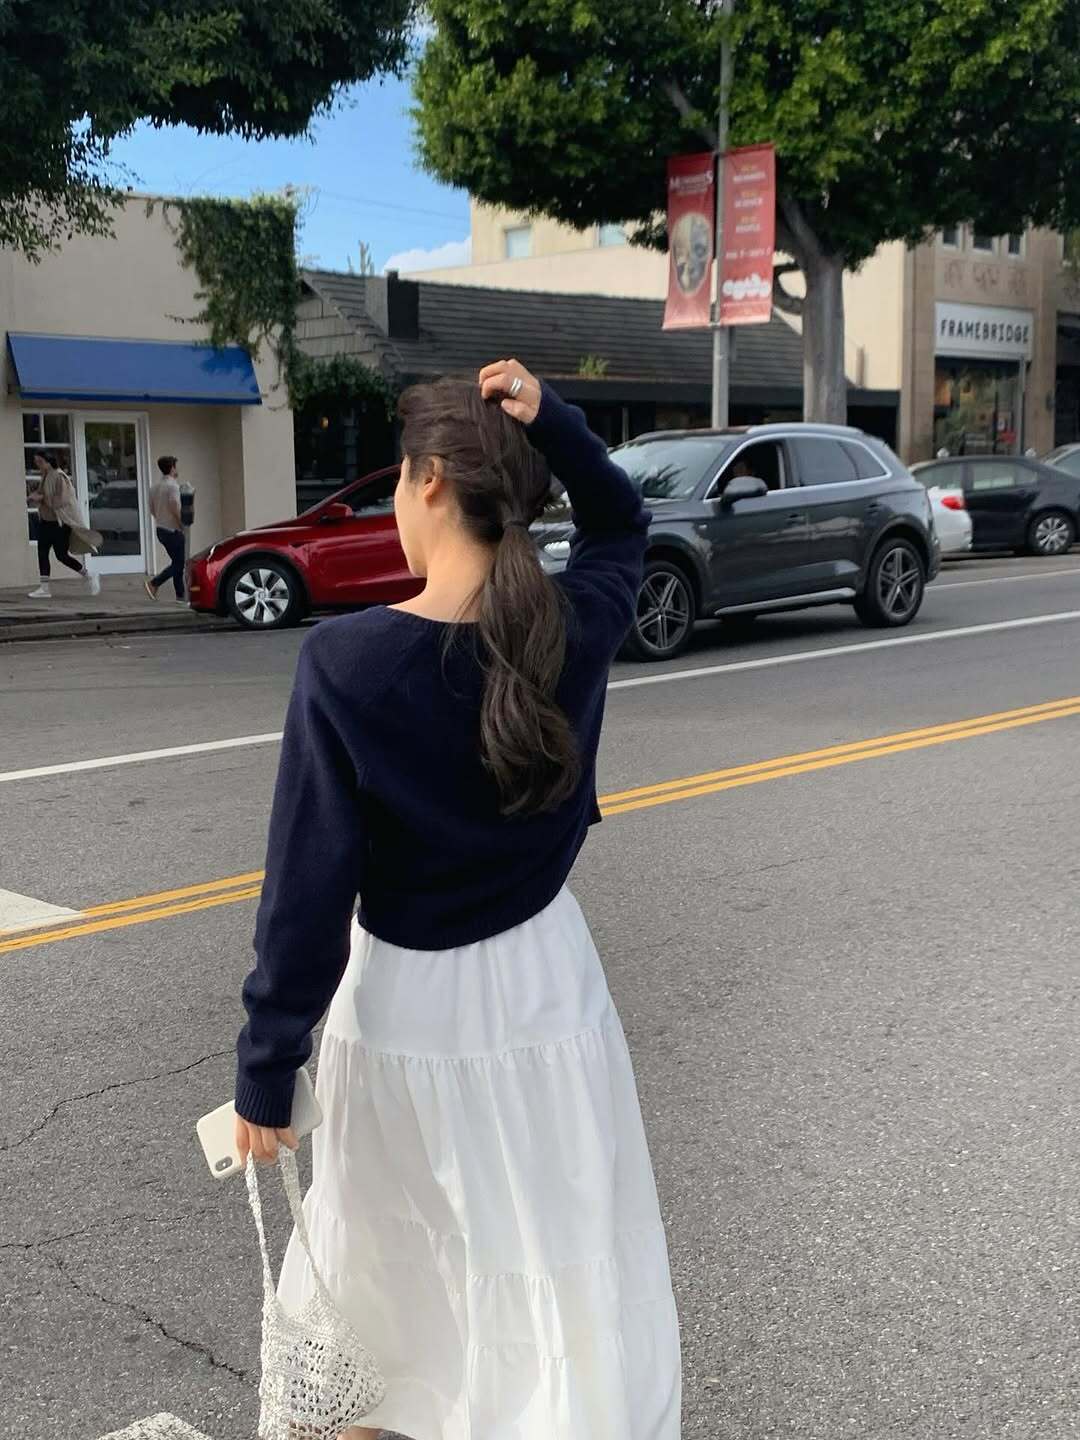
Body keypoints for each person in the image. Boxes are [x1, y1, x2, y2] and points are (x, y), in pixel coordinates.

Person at [234, 359, 682, 1440]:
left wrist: (267, 1064)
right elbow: (624, 523)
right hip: (545, 988)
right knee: (545, 1244)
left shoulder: (347, 663)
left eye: (398, 476)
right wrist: (555, 422)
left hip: (401, 1006)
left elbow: (307, 890)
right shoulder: (569, 625)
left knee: (385, 1263)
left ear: (429, 479)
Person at [27, 451, 102, 599]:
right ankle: (44, 588)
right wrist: (34, 497)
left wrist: (40, 498)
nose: (38, 465)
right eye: (36, 462)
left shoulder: (60, 476)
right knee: (42, 553)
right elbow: (43, 494)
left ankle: (89, 575)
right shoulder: (46, 476)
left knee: (61, 555)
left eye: (40, 461)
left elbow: (61, 500)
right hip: (46, 522)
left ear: (48, 461)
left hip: (60, 524)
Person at [145, 455, 186, 602]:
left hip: (160, 530)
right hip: (172, 530)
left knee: (177, 563)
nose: (177, 469)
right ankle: (154, 583)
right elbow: (174, 505)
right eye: (176, 466)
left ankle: (180, 596)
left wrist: (161, 519)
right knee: (179, 564)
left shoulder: (154, 488)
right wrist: (181, 524)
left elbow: (152, 509)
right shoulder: (172, 486)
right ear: (172, 468)